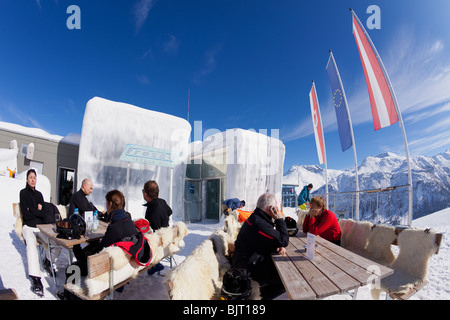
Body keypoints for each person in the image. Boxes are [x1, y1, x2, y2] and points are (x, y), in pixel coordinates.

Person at [61, 190, 145, 299]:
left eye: (106, 203)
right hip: (123, 262)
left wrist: (76, 247)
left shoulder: (114, 228)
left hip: (105, 269)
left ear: (110, 204)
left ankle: (71, 297)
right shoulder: (128, 221)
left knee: (72, 268)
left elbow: (96, 254)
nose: (106, 206)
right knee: (89, 250)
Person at [232, 193, 289, 300]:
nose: (277, 210)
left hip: (246, 261)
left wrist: (276, 245)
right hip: (247, 271)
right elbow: (284, 240)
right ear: (270, 208)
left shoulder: (255, 218)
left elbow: (268, 240)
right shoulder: (260, 224)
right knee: (286, 280)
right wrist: (279, 219)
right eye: (276, 207)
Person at [19, 169, 61, 296]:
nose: (33, 180)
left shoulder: (39, 195)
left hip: (40, 227)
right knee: (31, 246)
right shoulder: (23, 193)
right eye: (30, 177)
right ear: (27, 179)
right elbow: (26, 215)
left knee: (57, 242)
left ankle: (48, 260)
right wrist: (36, 210)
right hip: (28, 227)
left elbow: (43, 214)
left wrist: (33, 210)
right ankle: (36, 279)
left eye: (34, 178)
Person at [142, 180, 172, 274]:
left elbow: (153, 229)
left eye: (143, 191)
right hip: (166, 237)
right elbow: (170, 211)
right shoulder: (162, 202)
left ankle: (153, 265)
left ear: (146, 194)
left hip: (158, 243)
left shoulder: (152, 210)